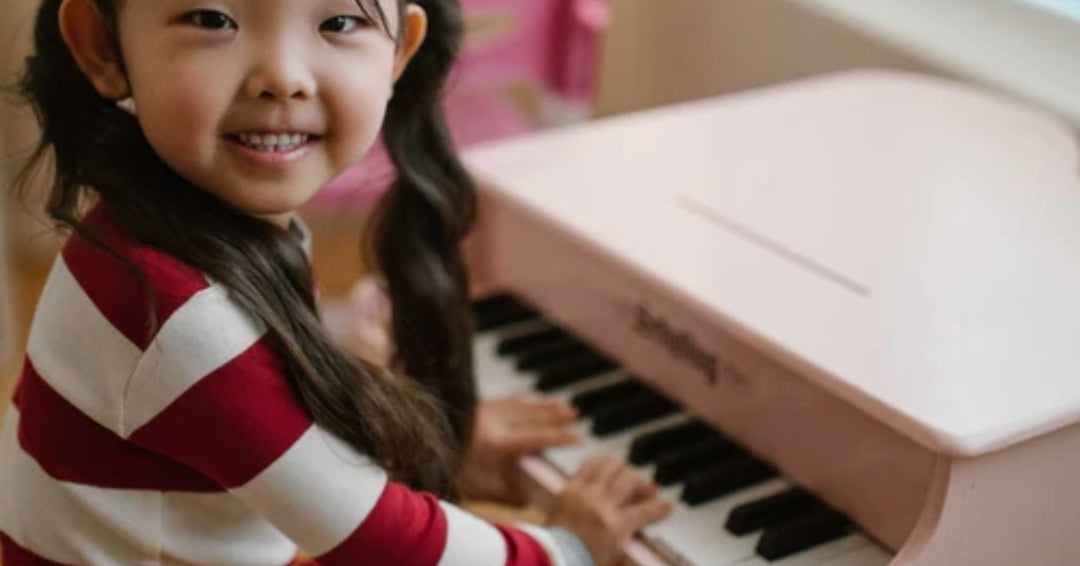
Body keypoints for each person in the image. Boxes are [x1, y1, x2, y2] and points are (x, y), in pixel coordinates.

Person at [0, 0, 672, 565]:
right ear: (102, 44)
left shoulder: (179, 231)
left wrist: (435, 455)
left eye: (340, 22)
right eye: (212, 17)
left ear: (399, 53)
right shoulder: (174, 315)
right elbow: (381, 543)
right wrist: (569, 547)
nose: (283, 78)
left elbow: (275, 410)